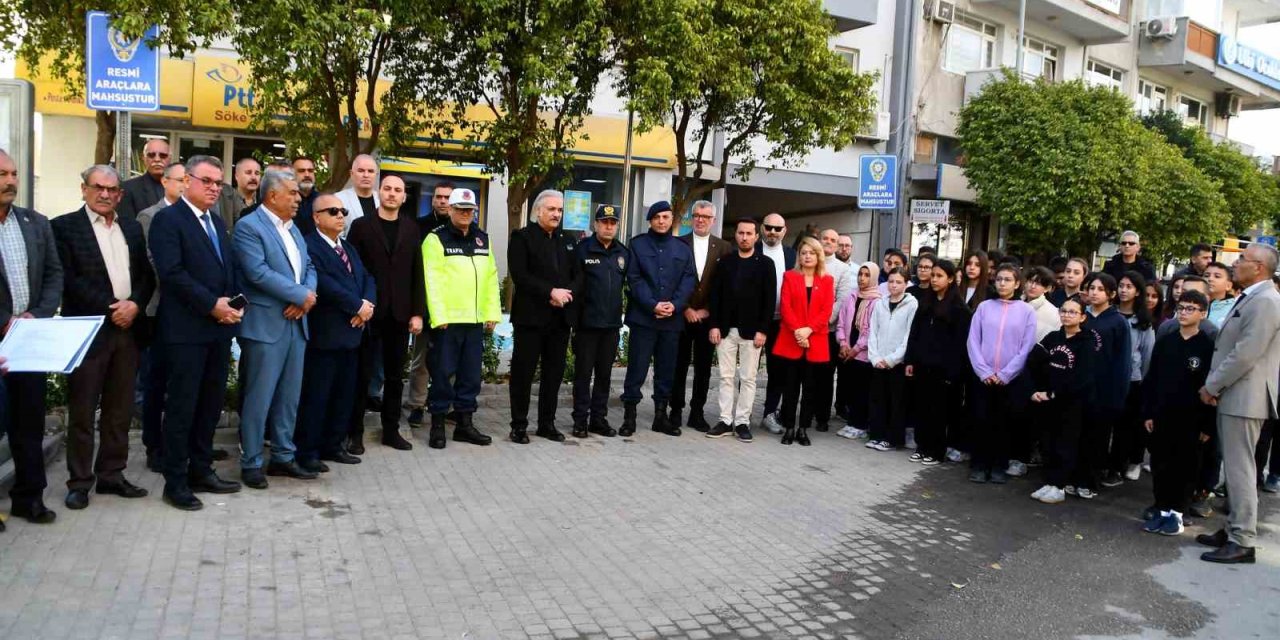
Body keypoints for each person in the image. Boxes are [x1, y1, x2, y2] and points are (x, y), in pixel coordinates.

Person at [52, 164, 155, 510]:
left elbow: (145, 275)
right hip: (89, 331)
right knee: (83, 411)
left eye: (112, 189)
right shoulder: (64, 227)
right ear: (84, 189)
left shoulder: (131, 227)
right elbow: (69, 281)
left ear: (120, 195)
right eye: (98, 187)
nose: (105, 194)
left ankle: (112, 474)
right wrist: (115, 308)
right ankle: (79, 482)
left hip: (128, 331)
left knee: (119, 410)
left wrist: (135, 304)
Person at [148, 155, 244, 510]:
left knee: (209, 406)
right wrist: (211, 304)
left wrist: (233, 303)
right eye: (207, 181)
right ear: (187, 181)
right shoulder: (168, 220)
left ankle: (201, 470)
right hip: (185, 331)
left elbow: (227, 267)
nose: (214, 188)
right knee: (182, 408)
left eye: (218, 183)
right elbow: (172, 274)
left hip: (218, 330)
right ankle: (175, 482)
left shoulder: (216, 222)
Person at [232, 169, 318, 488]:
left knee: (288, 397)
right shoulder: (249, 227)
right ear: (272, 195)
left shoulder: (293, 229)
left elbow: (309, 266)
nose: (298, 199)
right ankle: (252, 461)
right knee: (259, 397)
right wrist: (300, 295)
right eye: (292, 193)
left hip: (296, 322)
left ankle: (283, 456)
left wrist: (306, 297)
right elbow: (257, 272)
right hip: (266, 325)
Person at [1197, 244, 1280, 564]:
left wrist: (1213, 384)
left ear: (1258, 267)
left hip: (1246, 396)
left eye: (1242, 259)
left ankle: (1242, 539)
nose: (1236, 262)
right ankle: (1234, 527)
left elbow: (1246, 353)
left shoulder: (1266, 301)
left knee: (1240, 467)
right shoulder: (1253, 296)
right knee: (1234, 466)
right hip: (1237, 394)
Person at [0, 149, 63, 526]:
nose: (10, 181)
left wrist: (35, 316)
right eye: (2, 174)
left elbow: (54, 274)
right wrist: (5, 321)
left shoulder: (34, 222)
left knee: (29, 423)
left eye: (13, 173)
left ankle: (29, 498)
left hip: (29, 339)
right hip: (2, 339)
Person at [345, 174, 425, 452]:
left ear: (404, 197)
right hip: (368, 313)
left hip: (400, 314)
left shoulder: (411, 229)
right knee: (361, 375)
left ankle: (391, 430)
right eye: (387, 189)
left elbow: (417, 272)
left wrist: (417, 312)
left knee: (394, 377)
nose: (392, 193)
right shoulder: (361, 226)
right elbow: (351, 269)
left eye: (397, 190)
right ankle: (354, 433)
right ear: (379, 192)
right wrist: (356, 304)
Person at [296, 193, 375, 472]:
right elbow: (324, 284)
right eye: (332, 211)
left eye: (342, 211)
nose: (340, 215)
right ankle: (308, 451)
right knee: (317, 395)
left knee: (343, 394)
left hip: (352, 333)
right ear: (316, 217)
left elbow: (367, 277)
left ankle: (333, 445)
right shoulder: (309, 245)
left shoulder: (348, 247)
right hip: (326, 335)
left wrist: (367, 304)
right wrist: (357, 306)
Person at [422, 187, 500, 447]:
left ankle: (464, 425)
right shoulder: (436, 239)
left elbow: (491, 277)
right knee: (442, 374)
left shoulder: (482, 238)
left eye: (470, 210)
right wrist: (438, 316)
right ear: (451, 210)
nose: (466, 214)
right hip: (448, 322)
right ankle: (437, 425)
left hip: (474, 321)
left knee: (470, 376)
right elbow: (431, 281)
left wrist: (491, 312)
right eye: (461, 209)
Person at [507, 189, 578, 443]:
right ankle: (519, 425)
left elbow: (578, 275)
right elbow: (520, 275)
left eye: (560, 210)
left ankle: (547, 424)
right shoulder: (522, 238)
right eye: (551, 209)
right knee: (523, 374)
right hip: (530, 319)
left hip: (560, 319)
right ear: (538, 211)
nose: (556, 214)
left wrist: (566, 295)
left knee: (553, 374)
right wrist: (550, 292)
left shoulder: (567, 240)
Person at [620, 201, 697, 437]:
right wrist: (652, 305)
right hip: (644, 319)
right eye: (657, 217)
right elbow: (634, 279)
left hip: (671, 321)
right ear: (650, 221)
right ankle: (629, 417)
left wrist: (675, 305)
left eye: (665, 217)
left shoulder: (682, 248)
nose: (661, 221)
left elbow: (689, 280)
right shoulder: (637, 244)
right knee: (637, 368)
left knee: (666, 370)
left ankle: (660, 417)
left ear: (672, 219)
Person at [1141, 290, 1215, 535]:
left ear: (1203, 313)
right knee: (1161, 463)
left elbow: (1212, 389)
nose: (1183, 313)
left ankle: (1177, 513)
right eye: (1181, 308)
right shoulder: (1166, 341)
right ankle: (1161, 509)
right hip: (1163, 414)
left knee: (1185, 466)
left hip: (1192, 418)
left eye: (1190, 309)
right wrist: (1148, 412)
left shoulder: (1207, 346)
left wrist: (1207, 425)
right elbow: (1152, 378)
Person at [136, 161, 189, 470]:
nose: (184, 185)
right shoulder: (150, 216)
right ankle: (154, 446)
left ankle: (184, 444)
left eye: (187, 180)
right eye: (179, 179)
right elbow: (154, 263)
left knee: (183, 384)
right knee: (156, 382)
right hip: (159, 309)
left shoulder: (202, 217)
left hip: (190, 313)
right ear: (165, 182)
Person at [706, 218, 776, 442]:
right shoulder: (725, 262)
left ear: (756, 236)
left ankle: (743, 422)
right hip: (725, 330)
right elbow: (715, 296)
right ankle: (725, 420)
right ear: (735, 235)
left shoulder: (766, 264)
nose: (744, 237)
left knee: (748, 378)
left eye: (749, 233)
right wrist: (714, 325)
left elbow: (769, 300)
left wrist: (763, 330)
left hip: (752, 332)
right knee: (725, 377)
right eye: (741, 233)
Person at [966, 264, 1036, 484]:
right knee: (981, 420)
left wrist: (1006, 374)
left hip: (1010, 380)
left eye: (1008, 280)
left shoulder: (1026, 311)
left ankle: (999, 466)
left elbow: (1026, 346)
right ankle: (979, 465)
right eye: (999, 279)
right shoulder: (984, 307)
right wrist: (983, 371)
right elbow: (973, 341)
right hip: (983, 378)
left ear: (1017, 284)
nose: (1002, 283)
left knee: (1004, 423)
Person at [1026, 295, 1098, 504]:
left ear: (1082, 317)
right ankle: (1049, 482)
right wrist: (1036, 390)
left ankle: (1059, 486)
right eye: (1064, 311)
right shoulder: (1052, 337)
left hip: (1072, 404)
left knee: (1065, 444)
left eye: (1073, 312)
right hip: (1049, 403)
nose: (1067, 315)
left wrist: (1055, 393)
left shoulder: (1087, 342)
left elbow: (1083, 377)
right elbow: (1035, 362)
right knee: (1048, 442)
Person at [669, 201, 731, 433]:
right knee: (678, 366)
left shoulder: (724, 248)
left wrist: (708, 310)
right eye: (696, 215)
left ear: (713, 220)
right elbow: (672, 280)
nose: (700, 219)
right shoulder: (678, 244)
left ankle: (697, 413)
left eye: (705, 216)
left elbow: (724, 286)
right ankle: (675, 411)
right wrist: (685, 308)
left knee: (703, 369)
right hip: (682, 316)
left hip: (708, 319)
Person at [903, 259, 971, 464]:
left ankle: (936, 451)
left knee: (939, 412)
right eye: (932, 275)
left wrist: (952, 372)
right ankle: (922, 446)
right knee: (922, 407)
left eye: (939, 276)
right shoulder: (926, 303)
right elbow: (914, 333)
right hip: (923, 366)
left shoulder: (959, 309)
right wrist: (910, 360)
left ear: (950, 279)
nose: (934, 279)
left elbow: (960, 345)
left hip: (944, 371)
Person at [569, 205, 627, 438]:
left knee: (604, 375)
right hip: (587, 325)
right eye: (604, 222)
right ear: (596, 224)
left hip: (611, 326)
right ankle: (580, 420)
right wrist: (574, 323)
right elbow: (573, 286)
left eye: (613, 223)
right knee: (583, 375)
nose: (608, 226)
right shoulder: (582, 250)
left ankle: (598, 419)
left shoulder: (623, 252)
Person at [774, 237, 835, 446]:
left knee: (810, 389)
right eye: (803, 253)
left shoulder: (827, 280)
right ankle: (789, 427)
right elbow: (786, 307)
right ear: (799, 256)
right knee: (790, 388)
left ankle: (803, 429)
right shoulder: (790, 276)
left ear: (819, 256)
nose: (807, 256)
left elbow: (826, 310)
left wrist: (808, 330)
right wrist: (799, 332)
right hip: (791, 339)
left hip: (815, 340)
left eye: (812, 253)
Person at [405, 181, 455, 428]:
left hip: (452, 305)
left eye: (447, 197)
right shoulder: (418, 226)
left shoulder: (464, 228)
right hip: (425, 303)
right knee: (421, 360)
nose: (443, 201)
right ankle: (416, 405)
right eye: (439, 197)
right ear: (433, 199)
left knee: (450, 360)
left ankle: (447, 406)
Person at [1079, 272, 1131, 499]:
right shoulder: (1082, 316)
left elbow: (1122, 362)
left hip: (1104, 390)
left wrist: (1117, 395)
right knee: (1077, 435)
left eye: (1100, 289)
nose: (1094, 293)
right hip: (1080, 387)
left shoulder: (1118, 322)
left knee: (1098, 438)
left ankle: (1091, 481)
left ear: (1111, 294)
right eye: (1091, 288)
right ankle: (1074, 477)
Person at [1104, 271, 1156, 488]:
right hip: (1104, 377)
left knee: (1124, 428)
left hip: (1131, 380)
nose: (1124, 290)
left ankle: (1116, 467)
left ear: (1137, 292)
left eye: (1129, 286)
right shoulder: (1108, 313)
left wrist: (1140, 380)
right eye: (1121, 285)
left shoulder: (1143, 321)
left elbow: (1147, 355)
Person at [864, 267, 918, 452]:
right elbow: (873, 331)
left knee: (896, 402)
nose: (894, 285)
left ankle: (892, 439)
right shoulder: (881, 303)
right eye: (891, 281)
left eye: (898, 282)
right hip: (878, 361)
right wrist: (875, 357)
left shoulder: (912, 304)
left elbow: (909, 336)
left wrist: (892, 359)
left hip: (896, 363)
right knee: (878, 400)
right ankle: (877, 435)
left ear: (906, 284)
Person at [758, 213, 796, 434]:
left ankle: (769, 413)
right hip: (755, 322)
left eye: (777, 228)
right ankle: (742, 415)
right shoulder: (752, 250)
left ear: (784, 230)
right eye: (769, 227)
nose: (772, 232)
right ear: (762, 228)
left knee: (777, 370)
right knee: (748, 371)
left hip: (782, 322)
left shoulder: (792, 255)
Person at [834, 262, 881, 439]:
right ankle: (852, 422)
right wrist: (843, 344)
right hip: (847, 352)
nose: (862, 278)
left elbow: (871, 330)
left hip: (863, 355)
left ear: (874, 277)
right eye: (860, 274)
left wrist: (855, 349)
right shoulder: (851, 297)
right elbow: (841, 323)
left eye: (867, 275)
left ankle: (860, 425)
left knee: (862, 391)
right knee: (850, 389)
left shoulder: (877, 301)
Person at [814, 229, 854, 431]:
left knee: (825, 376)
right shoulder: (809, 261)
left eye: (833, 240)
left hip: (827, 331)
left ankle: (822, 417)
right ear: (819, 240)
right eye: (825, 239)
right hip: (805, 330)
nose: (828, 242)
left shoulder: (843, 269)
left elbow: (842, 300)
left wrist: (823, 322)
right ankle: (805, 412)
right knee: (806, 374)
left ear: (837, 245)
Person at [118, 138, 169, 221]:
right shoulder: (128, 188)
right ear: (144, 158)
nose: (157, 159)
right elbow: (127, 224)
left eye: (163, 155)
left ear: (169, 158)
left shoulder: (181, 188)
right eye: (151, 155)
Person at [335, 154, 380, 235]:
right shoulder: (338, 199)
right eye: (361, 171)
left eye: (370, 171)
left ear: (376, 175)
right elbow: (335, 234)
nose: (366, 175)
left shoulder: (382, 199)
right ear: (351, 174)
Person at [1024, 266, 1061, 341]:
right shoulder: (1015, 304)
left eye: (1038, 284)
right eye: (1030, 281)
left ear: (1047, 288)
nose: (1032, 286)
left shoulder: (1053, 313)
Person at [291, 156, 320, 236]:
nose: (307, 175)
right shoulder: (284, 200)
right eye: (301, 171)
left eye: (310, 171)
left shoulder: (323, 201)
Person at [1204, 262, 1235, 327]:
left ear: (1228, 286)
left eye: (1217, 276)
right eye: (1206, 276)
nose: (1210, 279)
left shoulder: (1234, 309)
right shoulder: (1191, 304)